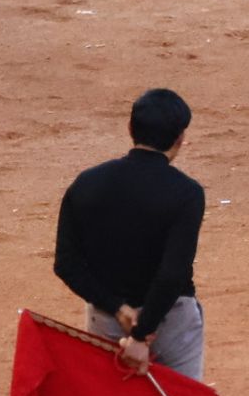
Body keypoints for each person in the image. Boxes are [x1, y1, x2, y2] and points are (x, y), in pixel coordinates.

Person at [53, 89, 207, 380]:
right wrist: (141, 334)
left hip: (109, 322)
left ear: (130, 130)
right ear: (179, 139)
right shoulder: (187, 194)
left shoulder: (87, 184)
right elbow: (172, 274)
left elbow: (66, 264)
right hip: (170, 321)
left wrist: (118, 309)